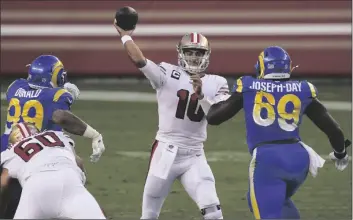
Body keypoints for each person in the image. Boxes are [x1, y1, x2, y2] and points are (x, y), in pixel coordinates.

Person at [205, 46, 350, 219]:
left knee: (268, 212)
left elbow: (214, 118)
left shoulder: (249, 85)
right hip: (299, 159)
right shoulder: (303, 89)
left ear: (262, 67)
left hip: (268, 159)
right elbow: (333, 129)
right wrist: (340, 153)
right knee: (275, 202)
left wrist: (205, 99)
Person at [114, 19, 228, 219]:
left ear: (206, 55)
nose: (193, 57)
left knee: (213, 212)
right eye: (189, 52)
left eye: (198, 53)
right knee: (149, 215)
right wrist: (125, 36)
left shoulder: (216, 82)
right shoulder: (167, 72)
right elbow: (139, 60)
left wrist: (201, 96)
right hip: (166, 152)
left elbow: (216, 116)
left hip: (194, 155)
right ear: (181, 53)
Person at [0, 55, 105, 218]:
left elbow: (32, 93)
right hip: (38, 147)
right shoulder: (58, 96)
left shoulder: (14, 87)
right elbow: (59, 116)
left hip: (7, 146)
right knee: (74, 166)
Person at [0, 122, 106, 219]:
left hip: (36, 187)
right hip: (69, 179)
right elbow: (79, 162)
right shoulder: (56, 135)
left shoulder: (11, 152)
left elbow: (4, 183)